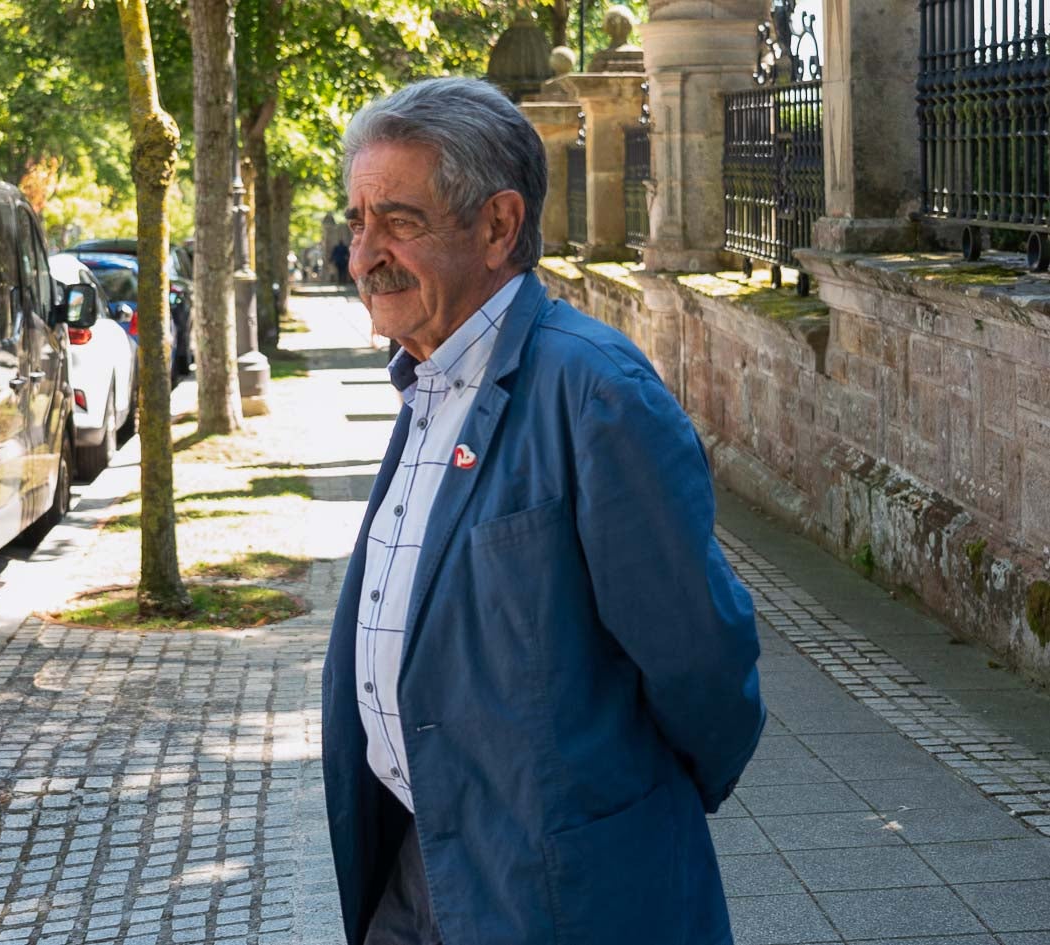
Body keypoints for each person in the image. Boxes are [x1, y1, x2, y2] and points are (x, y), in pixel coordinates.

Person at [321, 77, 765, 945]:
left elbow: (703, 666)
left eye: (398, 221)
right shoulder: (427, 378)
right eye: (357, 219)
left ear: (497, 225)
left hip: (556, 891)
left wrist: (618, 815)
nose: (361, 253)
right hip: (418, 866)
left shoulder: (594, 391)